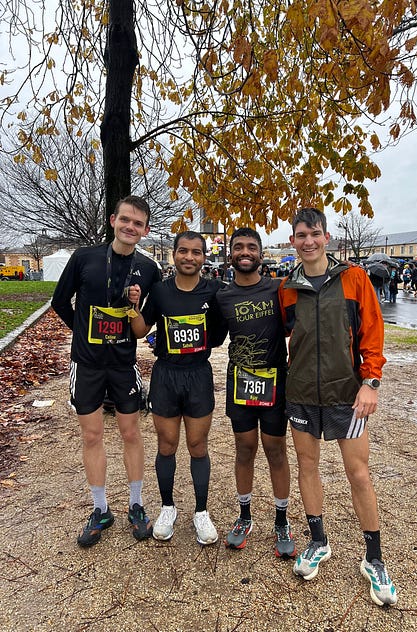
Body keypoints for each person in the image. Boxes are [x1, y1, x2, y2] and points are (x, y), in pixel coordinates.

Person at [279, 207, 397, 606]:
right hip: (301, 394)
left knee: (358, 473)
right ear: (293, 241)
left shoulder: (354, 278)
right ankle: (318, 541)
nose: (308, 241)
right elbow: (285, 336)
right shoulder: (287, 287)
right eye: (301, 235)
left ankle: (374, 558)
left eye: (314, 234)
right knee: (307, 466)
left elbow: (373, 333)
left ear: (326, 237)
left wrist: (371, 382)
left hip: (346, 393)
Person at [52, 195, 161, 547]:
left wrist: (134, 307)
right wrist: (82, 331)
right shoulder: (84, 257)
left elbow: (145, 322)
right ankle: (100, 509)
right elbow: (59, 301)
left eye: (138, 223)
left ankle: (136, 504)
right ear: (113, 220)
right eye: (125, 219)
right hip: (87, 364)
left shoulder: (149, 269)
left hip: (123, 364)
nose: (130, 227)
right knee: (92, 435)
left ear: (145, 230)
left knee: (131, 433)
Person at [128, 231, 225, 545]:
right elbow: (141, 330)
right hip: (166, 376)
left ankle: (201, 512)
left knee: (198, 446)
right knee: (167, 444)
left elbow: (219, 335)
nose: (189, 257)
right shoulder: (160, 291)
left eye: (196, 252)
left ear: (204, 257)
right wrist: (132, 306)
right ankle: (167, 508)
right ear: (174, 254)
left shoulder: (214, 291)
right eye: (183, 251)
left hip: (198, 375)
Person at [215, 228, 296, 559]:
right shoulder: (223, 297)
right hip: (241, 383)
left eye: (251, 247)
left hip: (275, 382)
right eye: (238, 247)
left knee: (276, 451)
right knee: (244, 449)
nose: (245, 252)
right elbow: (211, 336)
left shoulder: (279, 288)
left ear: (261, 254)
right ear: (230, 254)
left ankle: (282, 520)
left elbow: (300, 325)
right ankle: (245, 516)